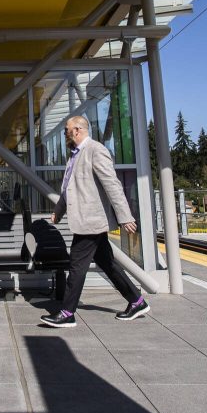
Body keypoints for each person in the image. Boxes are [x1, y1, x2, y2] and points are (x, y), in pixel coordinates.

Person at [40, 115, 149, 328]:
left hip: (91, 220)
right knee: (108, 263)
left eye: (67, 130)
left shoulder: (95, 150)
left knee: (77, 264)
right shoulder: (74, 155)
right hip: (86, 220)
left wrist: (125, 216)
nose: (65, 134)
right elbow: (68, 190)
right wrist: (58, 212)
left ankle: (67, 313)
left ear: (78, 130)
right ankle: (137, 301)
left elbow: (112, 185)